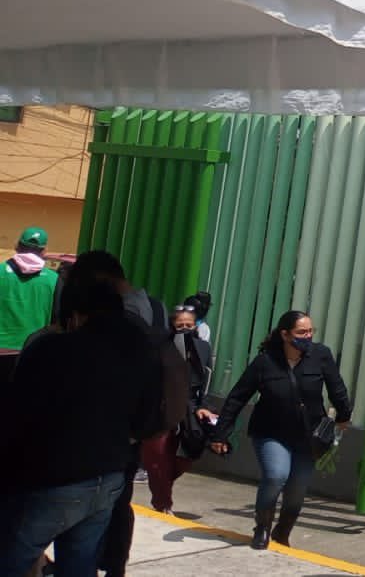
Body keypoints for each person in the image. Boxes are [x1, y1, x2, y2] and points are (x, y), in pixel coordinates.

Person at [0, 263, 164, 577]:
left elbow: (16, 415)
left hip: (50, 478)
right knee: (79, 565)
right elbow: (147, 421)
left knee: (11, 559)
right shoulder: (143, 353)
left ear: (75, 314)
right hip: (108, 476)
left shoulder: (52, 348)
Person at [210, 310, 352, 549]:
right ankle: (262, 528)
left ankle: (283, 531)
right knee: (276, 475)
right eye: (301, 332)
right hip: (271, 433)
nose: (307, 336)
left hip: (308, 436)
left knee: (297, 489)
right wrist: (220, 433)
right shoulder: (265, 361)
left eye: (310, 331)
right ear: (285, 335)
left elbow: (337, 387)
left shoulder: (321, 355)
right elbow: (237, 398)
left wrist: (343, 415)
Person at [140, 305, 213, 514]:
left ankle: (163, 484)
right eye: (179, 325)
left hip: (189, 409)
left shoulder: (203, 348)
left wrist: (203, 407)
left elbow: (205, 381)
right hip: (160, 409)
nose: (184, 329)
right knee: (157, 457)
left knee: (186, 457)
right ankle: (163, 503)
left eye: (188, 325)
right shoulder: (160, 347)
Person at [0, 227, 59, 361]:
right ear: (44, 251)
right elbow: (59, 322)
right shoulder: (54, 280)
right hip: (34, 354)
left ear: (17, 246)